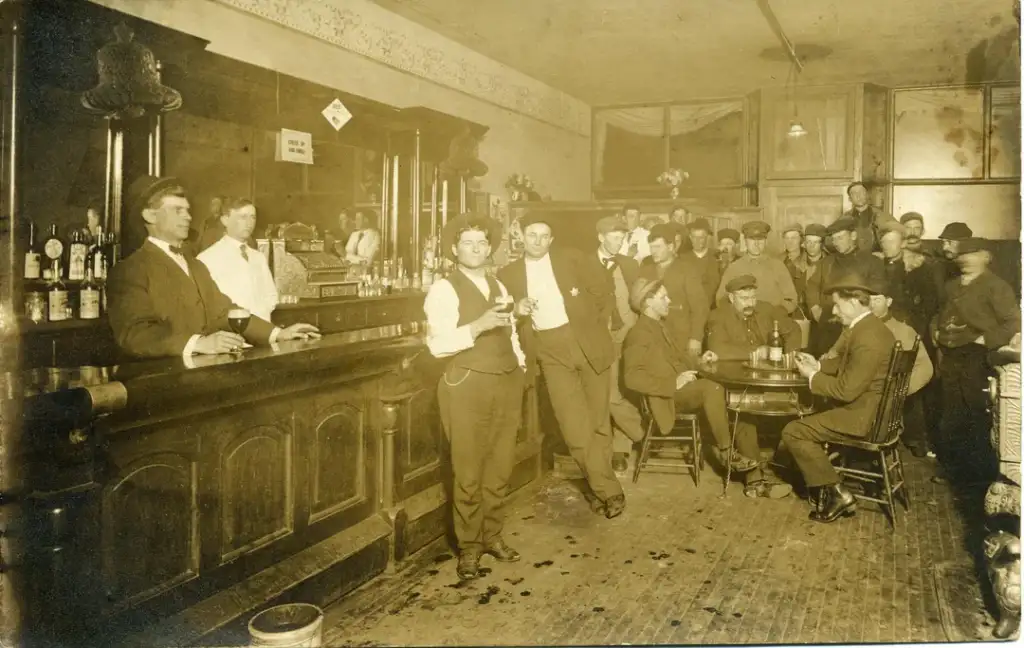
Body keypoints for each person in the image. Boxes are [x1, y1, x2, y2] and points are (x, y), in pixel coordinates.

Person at [107, 176, 320, 358]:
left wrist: (276, 334)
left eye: (188, 210)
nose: (188, 217)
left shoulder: (196, 265)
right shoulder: (130, 270)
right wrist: (197, 344)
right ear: (150, 216)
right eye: (177, 210)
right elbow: (135, 334)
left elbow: (226, 312)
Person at [498, 213, 625, 518]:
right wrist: (518, 309)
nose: (538, 241)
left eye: (544, 236)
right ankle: (609, 490)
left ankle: (598, 489)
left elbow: (603, 291)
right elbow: (503, 312)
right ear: (521, 237)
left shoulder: (573, 259)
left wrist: (590, 324)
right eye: (532, 235)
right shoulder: (508, 273)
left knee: (597, 423)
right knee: (574, 427)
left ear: (552, 240)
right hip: (550, 349)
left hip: (587, 343)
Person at [424, 214, 527, 580]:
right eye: (468, 242)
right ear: (454, 249)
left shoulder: (499, 286)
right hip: (466, 384)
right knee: (468, 471)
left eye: (482, 243)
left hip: (506, 381)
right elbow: (436, 346)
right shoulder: (443, 289)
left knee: (499, 468)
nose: (477, 249)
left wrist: (521, 365)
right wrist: (477, 326)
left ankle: (492, 536)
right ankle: (469, 549)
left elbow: (511, 332)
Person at [623, 278, 792, 498]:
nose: (669, 300)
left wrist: (702, 360)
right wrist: (671, 383)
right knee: (712, 388)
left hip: (685, 389)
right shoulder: (639, 333)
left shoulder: (659, 327)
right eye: (663, 297)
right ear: (648, 302)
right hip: (665, 398)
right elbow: (631, 378)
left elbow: (678, 360)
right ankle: (726, 453)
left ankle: (756, 482)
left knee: (740, 408)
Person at [781, 272, 896, 523]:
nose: (834, 309)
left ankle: (836, 494)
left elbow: (846, 390)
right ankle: (828, 488)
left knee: (793, 431)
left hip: (864, 418)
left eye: (837, 303)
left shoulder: (867, 337)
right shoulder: (870, 328)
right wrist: (819, 367)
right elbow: (850, 367)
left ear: (854, 302)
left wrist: (812, 377)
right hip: (874, 410)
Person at [931, 238, 1021, 483]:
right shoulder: (951, 286)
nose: (964, 257)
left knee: (975, 414)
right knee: (951, 412)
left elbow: (1013, 322)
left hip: (976, 356)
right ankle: (952, 470)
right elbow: (940, 314)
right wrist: (936, 333)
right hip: (950, 355)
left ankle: (975, 476)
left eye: (972, 253)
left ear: (986, 257)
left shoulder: (997, 286)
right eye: (963, 253)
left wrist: (986, 339)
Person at [825, 272, 933, 457]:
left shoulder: (903, 331)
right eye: (869, 299)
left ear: (889, 302)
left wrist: (895, 394)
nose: (871, 304)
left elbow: (925, 369)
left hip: (878, 408)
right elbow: (832, 354)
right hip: (853, 397)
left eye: (877, 299)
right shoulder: (852, 328)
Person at [591, 215, 644, 474]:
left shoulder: (630, 264)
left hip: (630, 334)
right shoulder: (585, 264)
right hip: (601, 338)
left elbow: (640, 298)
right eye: (614, 238)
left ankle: (620, 450)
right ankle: (645, 433)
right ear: (600, 237)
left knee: (627, 389)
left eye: (622, 238)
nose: (618, 242)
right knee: (609, 395)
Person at [806, 217, 883, 355]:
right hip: (828, 325)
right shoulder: (826, 263)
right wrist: (815, 308)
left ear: (853, 235)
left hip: (858, 328)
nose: (836, 243)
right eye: (834, 239)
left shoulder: (872, 262)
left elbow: (877, 293)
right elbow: (811, 286)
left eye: (840, 238)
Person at [198, 198, 279, 322]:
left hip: (263, 331)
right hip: (231, 332)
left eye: (253, 217)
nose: (249, 223)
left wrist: (263, 315)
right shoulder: (207, 258)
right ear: (225, 220)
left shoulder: (258, 257)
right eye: (243, 217)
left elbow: (271, 295)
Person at [638, 223, 709, 356]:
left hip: (680, 337)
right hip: (652, 338)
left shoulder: (688, 270)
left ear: (670, 247)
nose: (653, 251)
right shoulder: (645, 270)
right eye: (651, 247)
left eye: (658, 247)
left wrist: (696, 338)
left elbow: (700, 308)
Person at [707, 275, 801, 361]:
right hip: (736, 370)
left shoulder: (766, 309)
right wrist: (756, 353)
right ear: (732, 298)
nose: (750, 303)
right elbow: (718, 349)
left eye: (753, 297)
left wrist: (790, 356)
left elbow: (793, 329)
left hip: (766, 369)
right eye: (744, 298)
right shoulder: (718, 316)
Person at [716, 221, 799, 314]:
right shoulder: (734, 268)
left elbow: (791, 299)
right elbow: (721, 299)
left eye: (760, 240)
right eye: (752, 239)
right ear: (745, 241)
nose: (756, 244)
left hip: (772, 322)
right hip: (742, 323)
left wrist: (777, 313)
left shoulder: (778, 266)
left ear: (765, 241)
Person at [834, 181, 898, 253]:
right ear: (850, 199)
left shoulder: (882, 216)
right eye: (854, 193)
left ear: (867, 195)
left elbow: (896, 238)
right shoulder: (844, 219)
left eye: (861, 192)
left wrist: (884, 254)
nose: (858, 195)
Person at [679, 217, 720, 308]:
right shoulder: (682, 259)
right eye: (694, 237)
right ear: (690, 237)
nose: (697, 241)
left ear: (707, 238)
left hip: (710, 307)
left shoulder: (715, 260)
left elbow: (714, 286)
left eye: (701, 237)